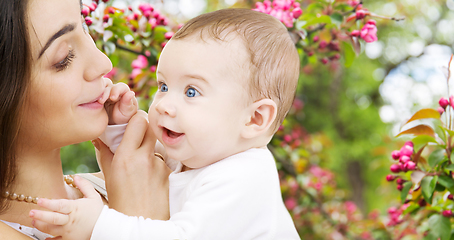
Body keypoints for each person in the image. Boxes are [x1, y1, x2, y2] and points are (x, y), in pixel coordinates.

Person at [30, 8, 301, 239]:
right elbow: (144, 164)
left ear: (254, 118)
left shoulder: (244, 180)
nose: (162, 105)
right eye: (164, 85)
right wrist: (119, 128)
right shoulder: (202, 154)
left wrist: (98, 226)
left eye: (191, 92)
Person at [0, 0, 170, 239]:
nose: (104, 63)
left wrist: (128, 147)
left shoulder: (133, 180)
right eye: (64, 58)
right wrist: (135, 224)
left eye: (85, 29)